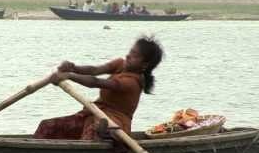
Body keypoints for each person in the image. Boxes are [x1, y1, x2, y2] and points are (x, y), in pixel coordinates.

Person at [33, 36, 164, 140]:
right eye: (130, 52)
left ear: (144, 64)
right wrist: (73, 67)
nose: (128, 56)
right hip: (93, 115)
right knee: (47, 125)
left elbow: (95, 82)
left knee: (94, 132)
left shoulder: (132, 83)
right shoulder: (120, 64)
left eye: (135, 55)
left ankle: (104, 136)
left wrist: (69, 76)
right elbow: (94, 70)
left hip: (114, 124)